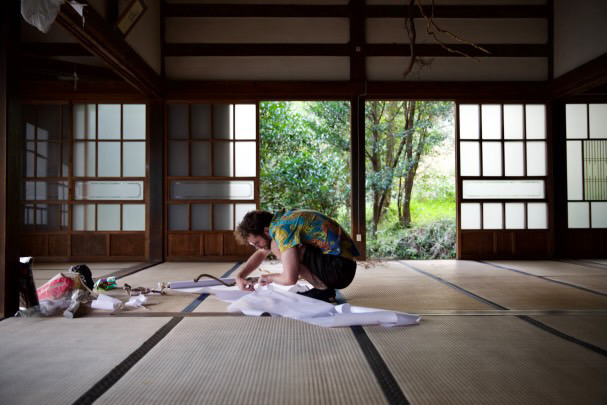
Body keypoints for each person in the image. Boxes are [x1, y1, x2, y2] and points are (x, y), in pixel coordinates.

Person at [233, 209, 360, 303]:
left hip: (339, 270)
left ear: (266, 231)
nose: (257, 247)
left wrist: (268, 277)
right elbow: (261, 253)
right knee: (275, 246)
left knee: (275, 246)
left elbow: (289, 279)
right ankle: (324, 290)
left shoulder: (281, 230)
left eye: (256, 243)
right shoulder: (282, 221)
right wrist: (240, 276)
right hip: (342, 265)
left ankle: (323, 291)